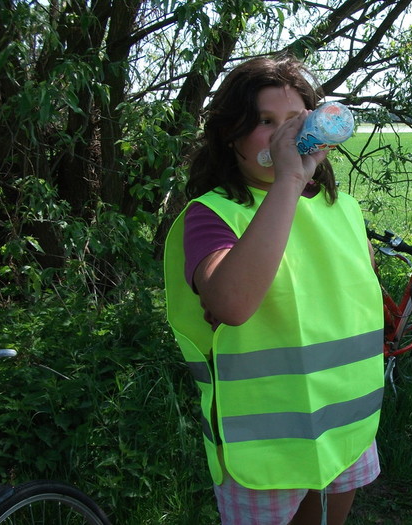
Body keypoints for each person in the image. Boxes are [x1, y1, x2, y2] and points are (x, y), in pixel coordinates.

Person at [163, 55, 384, 525]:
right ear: (231, 133)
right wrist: (289, 180)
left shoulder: (342, 209)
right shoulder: (213, 214)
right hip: (264, 446)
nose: (285, 135)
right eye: (265, 122)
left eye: (296, 120)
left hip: (343, 425)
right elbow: (232, 304)